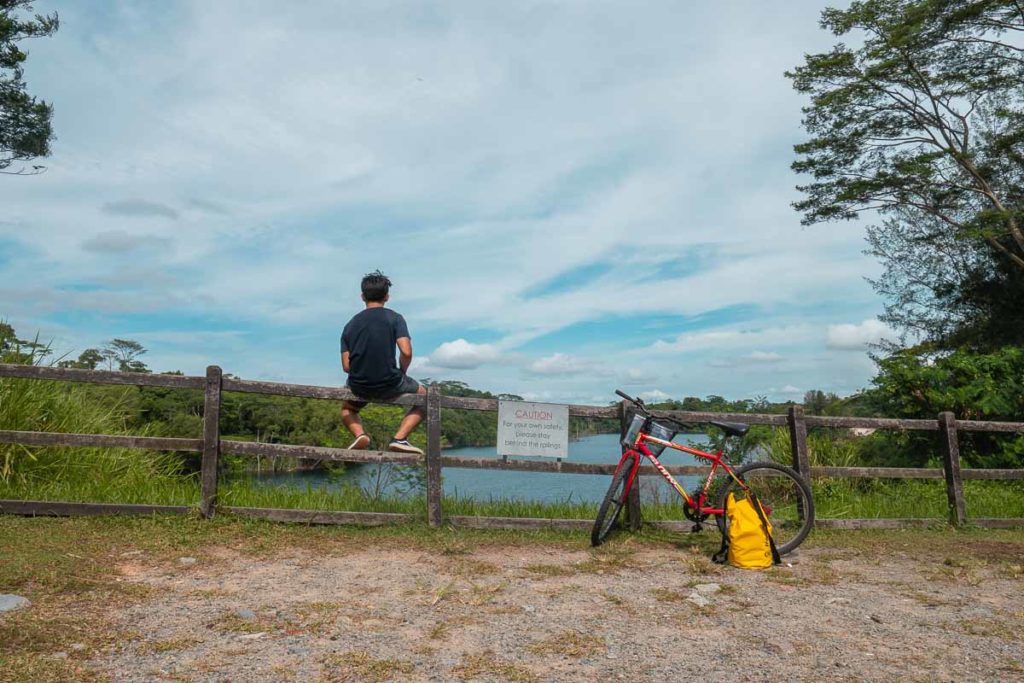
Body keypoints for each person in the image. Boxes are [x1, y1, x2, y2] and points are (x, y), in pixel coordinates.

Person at [340, 270, 426, 455]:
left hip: (359, 385)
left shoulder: (350, 325)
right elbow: (406, 351)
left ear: (362, 296)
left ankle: (360, 434)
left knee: (347, 409)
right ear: (387, 296)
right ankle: (400, 438)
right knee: (424, 398)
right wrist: (402, 372)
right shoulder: (395, 318)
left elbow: (346, 366)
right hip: (390, 382)